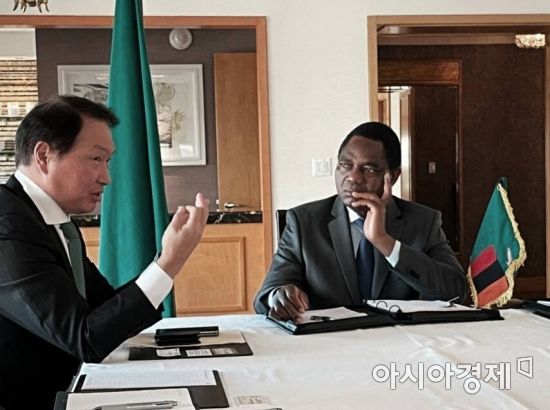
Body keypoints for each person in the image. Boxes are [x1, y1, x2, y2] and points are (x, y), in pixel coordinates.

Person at [0, 95, 209, 410]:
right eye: (96, 159)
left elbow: (104, 309)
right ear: (43, 156)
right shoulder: (8, 226)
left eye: (107, 161)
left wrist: (163, 262)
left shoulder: (55, 223)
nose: (106, 177)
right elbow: (85, 338)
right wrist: (168, 263)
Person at [254, 121, 466, 320]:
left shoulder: (423, 221)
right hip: (330, 340)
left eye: (369, 169)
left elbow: (456, 292)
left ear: (392, 177)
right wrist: (279, 296)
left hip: (399, 339)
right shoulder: (304, 222)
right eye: (345, 165)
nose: (353, 177)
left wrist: (384, 242)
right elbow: (265, 296)